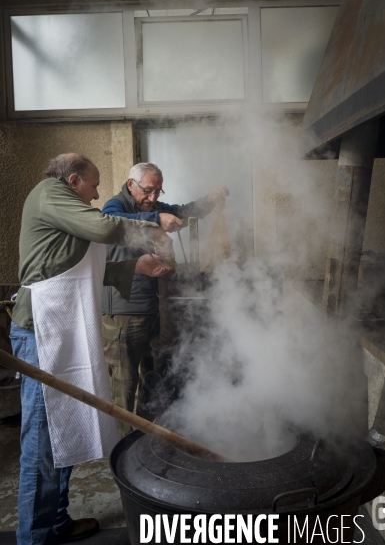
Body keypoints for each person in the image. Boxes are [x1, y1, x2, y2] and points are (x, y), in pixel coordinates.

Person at [10, 153, 173, 545]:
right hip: (40, 333)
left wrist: (137, 267)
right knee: (43, 437)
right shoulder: (49, 193)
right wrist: (152, 224)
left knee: (63, 425)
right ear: (72, 180)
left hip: (62, 329)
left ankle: (55, 520)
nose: (98, 193)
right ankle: (33, 536)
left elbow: (82, 267)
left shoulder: (64, 208)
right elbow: (101, 227)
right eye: (94, 184)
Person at [102, 162, 228, 436]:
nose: (153, 198)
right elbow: (112, 226)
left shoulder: (150, 206)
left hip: (151, 310)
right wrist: (156, 221)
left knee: (151, 380)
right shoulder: (115, 208)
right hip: (124, 314)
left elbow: (181, 212)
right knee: (123, 389)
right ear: (130, 184)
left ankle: (147, 441)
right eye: (148, 191)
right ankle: (124, 448)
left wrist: (208, 200)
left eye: (158, 191)